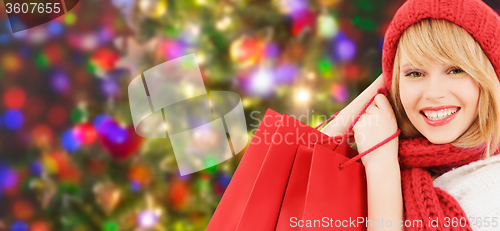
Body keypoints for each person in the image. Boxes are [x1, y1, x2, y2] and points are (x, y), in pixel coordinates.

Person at [321, 0, 500, 230]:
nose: (434, 93)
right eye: (415, 73)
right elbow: (298, 164)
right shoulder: (393, 152)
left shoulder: (490, 187)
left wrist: (381, 166)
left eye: (456, 70)